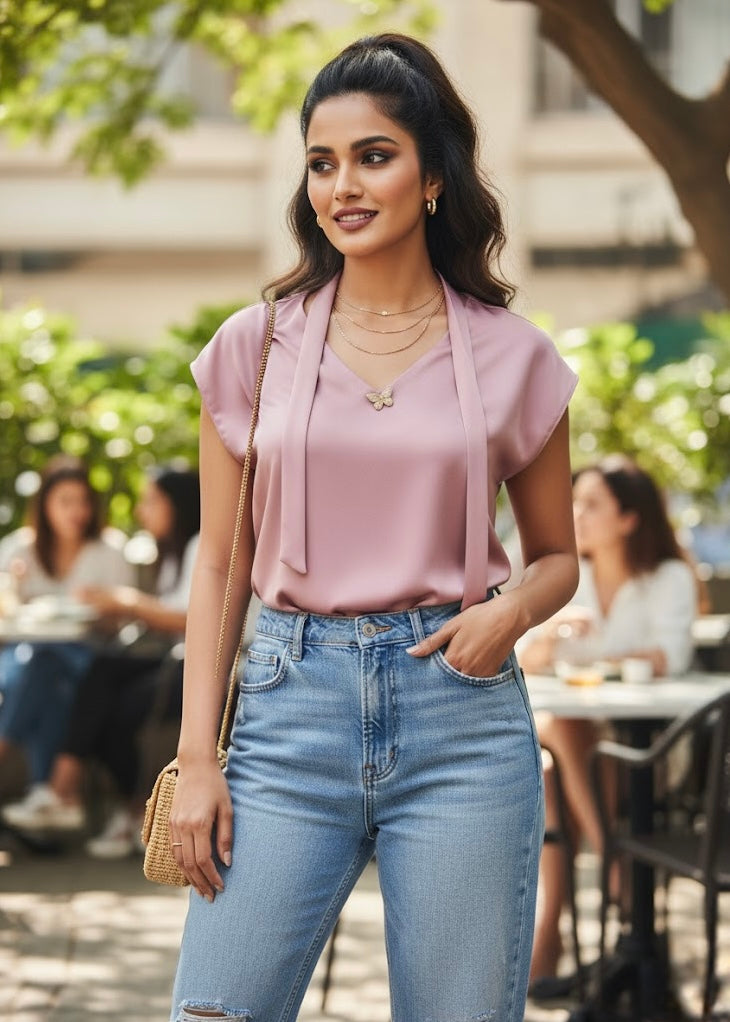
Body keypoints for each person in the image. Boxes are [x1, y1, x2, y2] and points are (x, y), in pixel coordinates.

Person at [168, 34, 579, 1022]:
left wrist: (506, 611)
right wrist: (198, 757)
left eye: (373, 155)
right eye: (321, 161)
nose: (342, 185)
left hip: (460, 717)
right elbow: (219, 560)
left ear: (432, 174)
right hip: (284, 709)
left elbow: (558, 555)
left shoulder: (514, 355)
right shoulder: (253, 343)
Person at [519, 455, 696, 993]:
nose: (576, 513)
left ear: (629, 518)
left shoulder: (668, 578)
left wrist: (598, 661)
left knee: (552, 771)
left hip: (654, 749)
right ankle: (627, 903)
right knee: (565, 738)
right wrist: (551, 636)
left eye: (592, 503)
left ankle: (553, 931)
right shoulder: (564, 577)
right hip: (580, 740)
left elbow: (671, 656)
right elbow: (524, 657)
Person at [1, 467, 200, 858]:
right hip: (50, 655)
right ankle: (68, 795)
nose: (141, 512)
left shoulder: (193, 549)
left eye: (150, 502)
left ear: (177, 506)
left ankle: (72, 795)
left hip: (200, 663)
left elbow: (191, 620)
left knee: (90, 692)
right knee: (74, 678)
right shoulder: (20, 549)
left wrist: (125, 604)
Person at [0, 455, 132, 797]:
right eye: (65, 501)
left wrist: (105, 606)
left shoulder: (109, 551)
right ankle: (48, 800)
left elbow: (121, 625)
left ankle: (38, 791)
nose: (77, 511)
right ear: (44, 506)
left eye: (83, 501)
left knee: (42, 672)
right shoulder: (19, 550)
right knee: (43, 673)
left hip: (86, 657)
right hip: (24, 655)